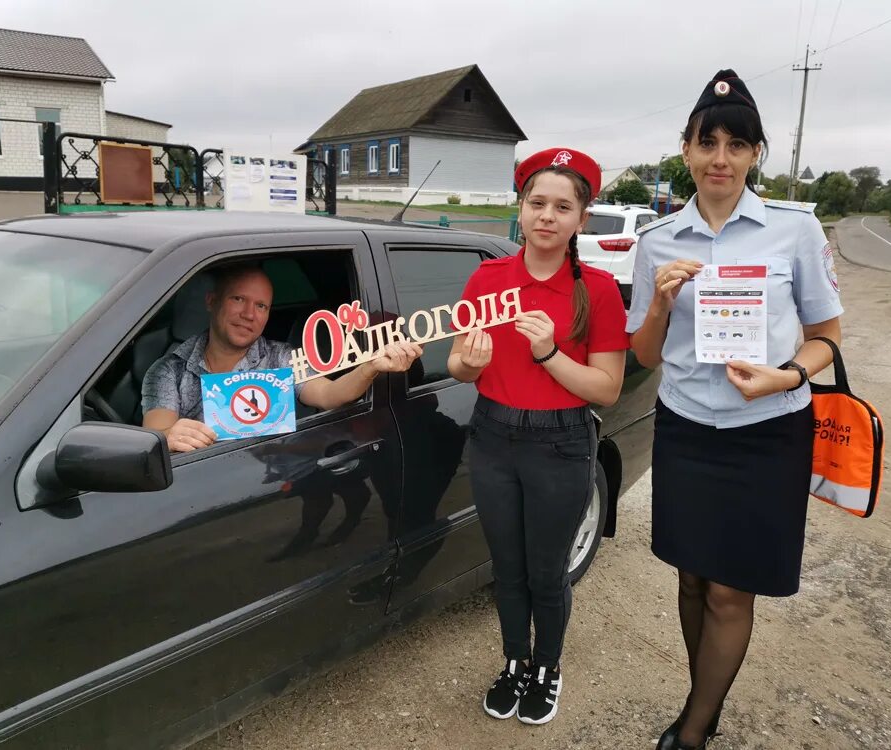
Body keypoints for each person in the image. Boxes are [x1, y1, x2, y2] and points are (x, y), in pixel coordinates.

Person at [625, 70, 844, 750]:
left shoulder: (794, 231)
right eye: (707, 141)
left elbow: (827, 340)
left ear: (755, 155)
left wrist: (784, 378)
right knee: (692, 577)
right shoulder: (657, 240)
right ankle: (707, 697)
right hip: (687, 429)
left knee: (729, 591)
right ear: (686, 150)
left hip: (767, 433)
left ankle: (692, 732)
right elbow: (646, 352)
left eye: (737, 144)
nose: (721, 157)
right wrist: (660, 301)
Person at [447, 148, 629, 725]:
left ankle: (546, 665)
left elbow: (605, 388)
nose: (547, 216)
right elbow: (459, 365)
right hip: (494, 436)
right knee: (508, 566)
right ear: (520, 211)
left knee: (547, 570)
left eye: (563, 206)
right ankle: (514, 661)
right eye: (536, 203)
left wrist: (549, 352)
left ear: (582, 217)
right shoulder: (488, 279)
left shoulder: (596, 290)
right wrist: (470, 365)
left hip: (561, 443)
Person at [142, 264, 421, 452]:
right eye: (238, 299)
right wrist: (168, 437)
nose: (249, 314)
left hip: (267, 481)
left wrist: (369, 368)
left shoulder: (281, 357)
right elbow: (156, 436)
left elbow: (326, 393)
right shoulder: (171, 370)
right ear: (211, 301)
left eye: (261, 306)